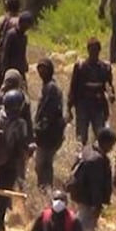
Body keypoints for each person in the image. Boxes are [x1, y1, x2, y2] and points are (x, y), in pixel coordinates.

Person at [0, 89, 31, 231]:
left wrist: (27, 149)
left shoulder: (18, 122)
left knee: (3, 195)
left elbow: (21, 143)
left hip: (9, 161)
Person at [68, 126, 116, 231]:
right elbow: (96, 185)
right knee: (84, 228)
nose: (111, 148)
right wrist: (97, 205)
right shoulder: (97, 160)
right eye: (111, 145)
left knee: (88, 227)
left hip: (81, 195)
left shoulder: (87, 150)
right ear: (105, 142)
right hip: (88, 200)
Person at [68, 38, 115, 145]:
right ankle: (81, 158)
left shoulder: (105, 68)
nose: (94, 53)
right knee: (81, 137)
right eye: (92, 50)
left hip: (98, 105)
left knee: (100, 136)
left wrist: (111, 95)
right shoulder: (80, 67)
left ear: (99, 51)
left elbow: (109, 85)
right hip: (82, 105)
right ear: (88, 51)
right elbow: (73, 87)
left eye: (96, 50)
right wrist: (69, 107)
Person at [34, 58, 66, 190]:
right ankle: (45, 188)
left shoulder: (51, 88)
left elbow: (49, 113)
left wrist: (39, 129)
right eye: (39, 70)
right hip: (50, 133)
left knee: (42, 163)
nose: (41, 73)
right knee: (44, 163)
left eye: (44, 70)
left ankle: (45, 188)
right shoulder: (48, 86)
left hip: (49, 133)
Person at [0, 11, 33, 87]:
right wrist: (4, 69)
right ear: (22, 22)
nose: (28, 27)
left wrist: (25, 64)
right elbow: (5, 52)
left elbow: (23, 52)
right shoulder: (11, 34)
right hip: (10, 68)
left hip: (20, 68)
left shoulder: (24, 37)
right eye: (27, 24)